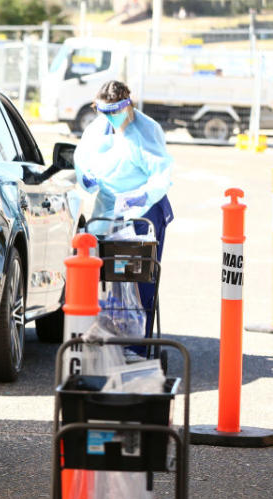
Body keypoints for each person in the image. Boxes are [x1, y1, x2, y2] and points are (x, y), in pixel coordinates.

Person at [74, 80, 174, 341]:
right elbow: (82, 162)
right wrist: (86, 178)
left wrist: (142, 195)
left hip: (144, 211)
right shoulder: (96, 131)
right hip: (107, 210)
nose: (111, 118)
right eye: (104, 112)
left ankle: (136, 343)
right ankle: (103, 335)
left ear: (128, 105)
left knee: (140, 281)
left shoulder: (147, 130)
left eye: (115, 112)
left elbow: (161, 175)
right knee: (100, 273)